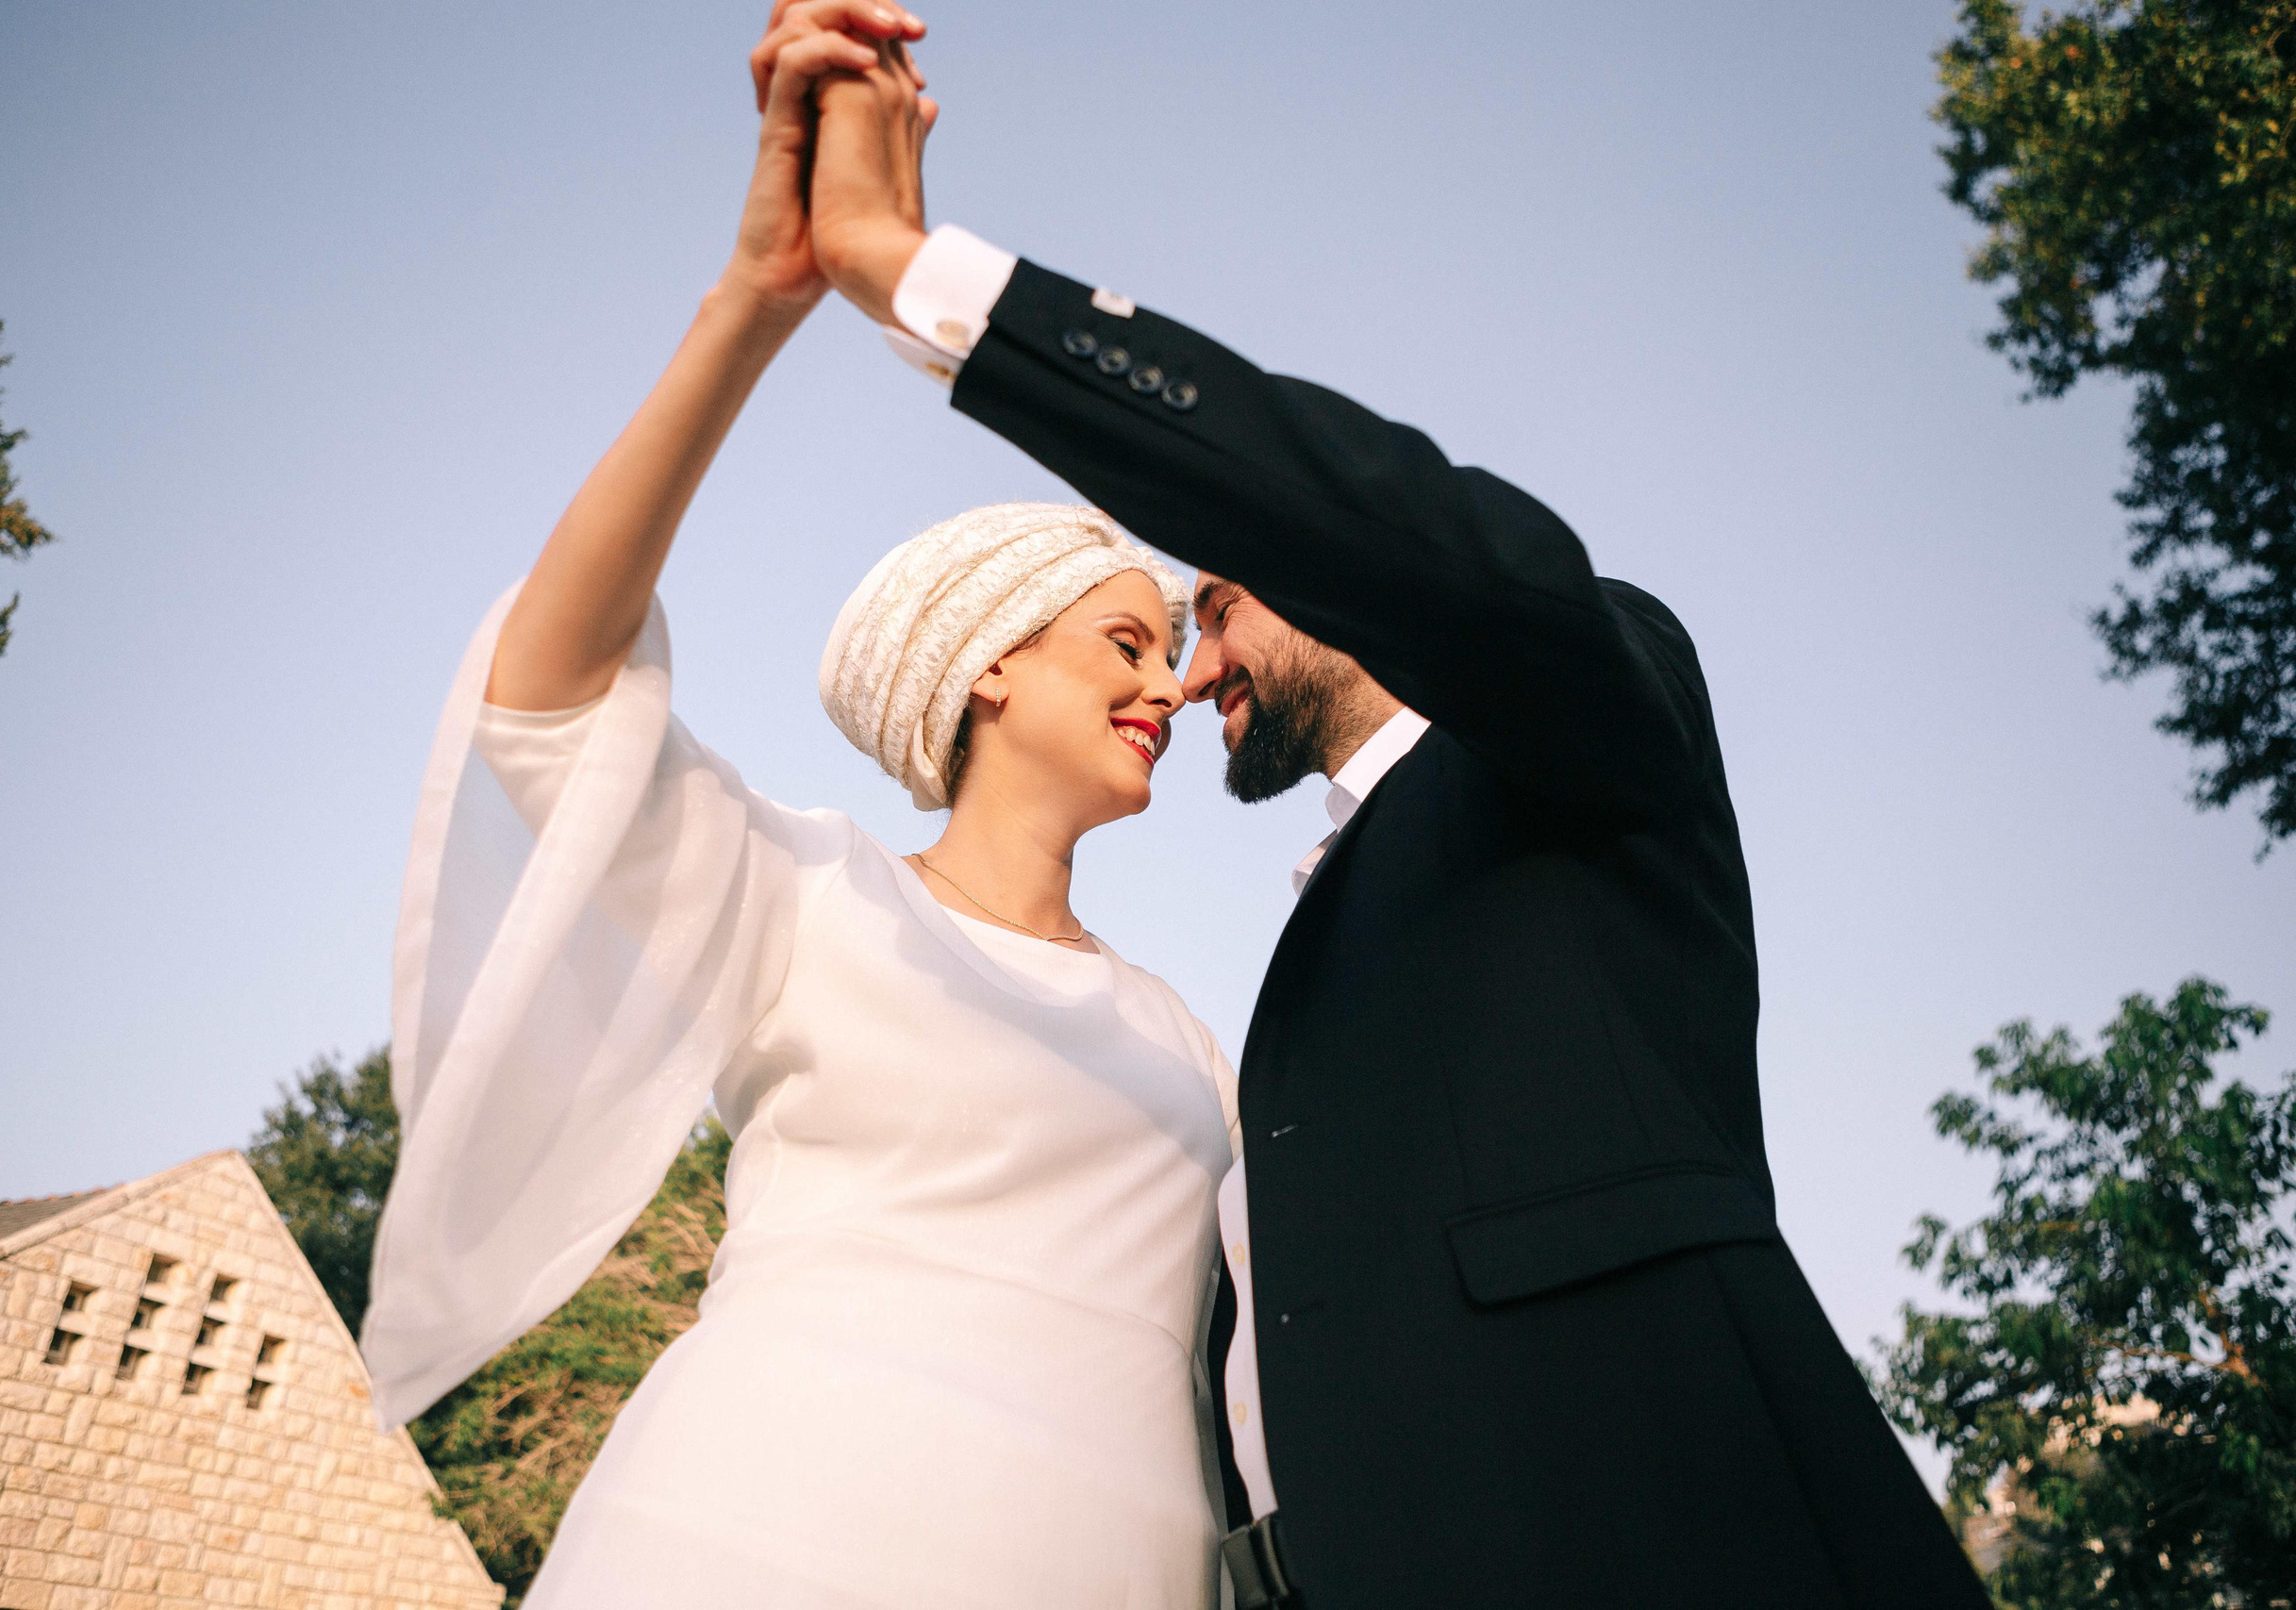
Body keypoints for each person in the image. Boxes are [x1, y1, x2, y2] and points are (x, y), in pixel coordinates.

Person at [787, 8, 1997, 1605]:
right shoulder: (1294, 964)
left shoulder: (1576, 722)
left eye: (1213, 604)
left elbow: (1394, 530)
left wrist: (915, 275)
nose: (1198, 668)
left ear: (1323, 563)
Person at [358, 12, 1244, 1605]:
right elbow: (546, 698)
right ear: (985, 669)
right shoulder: (804, 896)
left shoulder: (1189, 1040)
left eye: (1173, 658)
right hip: (760, 1534)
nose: (1166, 689)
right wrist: (758, 301)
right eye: (1126, 642)